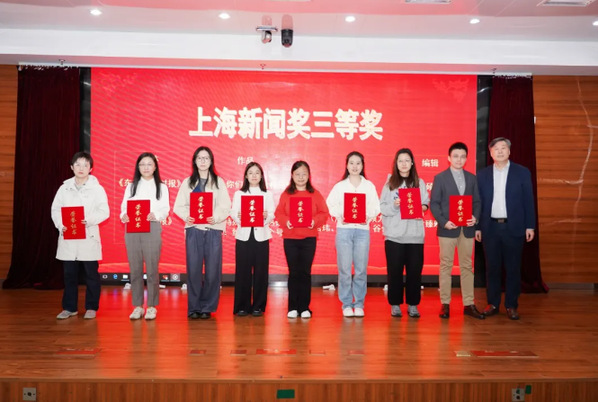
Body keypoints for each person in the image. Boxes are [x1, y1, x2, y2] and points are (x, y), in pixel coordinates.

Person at [475, 137, 536, 320]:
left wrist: (530, 225)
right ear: (491, 153)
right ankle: (493, 303)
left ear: (509, 151)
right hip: (490, 228)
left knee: (513, 268)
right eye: (496, 149)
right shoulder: (482, 174)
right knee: (492, 268)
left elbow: (528, 200)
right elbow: (478, 203)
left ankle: (511, 305)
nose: (500, 151)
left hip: (514, 227)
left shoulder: (522, 172)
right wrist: (478, 227)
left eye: (503, 148)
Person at [173, 146, 231, 319]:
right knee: (193, 270)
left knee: (213, 271)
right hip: (194, 230)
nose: (203, 161)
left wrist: (216, 217)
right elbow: (178, 206)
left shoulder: (218, 182)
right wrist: (187, 216)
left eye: (206, 158)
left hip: (213, 230)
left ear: (211, 161)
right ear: (195, 161)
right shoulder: (188, 182)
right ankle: (194, 307)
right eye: (200, 158)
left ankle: (207, 307)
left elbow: (225, 206)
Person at [51, 151, 109, 320]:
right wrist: (61, 225)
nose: (81, 168)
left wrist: (89, 220)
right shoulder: (64, 188)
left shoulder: (97, 189)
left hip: (88, 236)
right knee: (69, 275)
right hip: (69, 237)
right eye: (77, 164)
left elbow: (104, 211)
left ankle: (91, 307)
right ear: (72, 167)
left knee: (91, 275)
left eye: (85, 165)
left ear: (91, 168)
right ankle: (69, 308)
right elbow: (55, 209)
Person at [430, 142, 485, 320]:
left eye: (462, 156)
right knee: (446, 266)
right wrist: (444, 222)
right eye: (455, 156)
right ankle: (445, 304)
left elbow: (477, 202)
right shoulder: (440, 178)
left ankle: (468, 304)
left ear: (466, 159)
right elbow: (434, 204)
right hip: (448, 229)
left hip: (467, 229)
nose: (459, 159)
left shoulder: (472, 178)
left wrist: (475, 218)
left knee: (467, 266)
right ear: (449, 158)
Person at [326, 151, 380, 318]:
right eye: (351, 163)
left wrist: (367, 216)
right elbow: (329, 205)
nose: (355, 166)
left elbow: (376, 207)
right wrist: (340, 214)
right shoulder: (340, 186)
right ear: (346, 165)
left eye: (358, 163)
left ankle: (359, 303)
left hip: (362, 231)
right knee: (344, 269)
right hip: (344, 230)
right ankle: (347, 304)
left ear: (362, 166)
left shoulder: (369, 186)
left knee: (361, 269)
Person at [275, 161, 329, 319]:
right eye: (297, 174)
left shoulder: (315, 194)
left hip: (309, 239)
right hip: (290, 239)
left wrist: (314, 221)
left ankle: (304, 307)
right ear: (292, 175)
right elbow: (279, 213)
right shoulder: (286, 194)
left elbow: (324, 213)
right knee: (293, 272)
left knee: (305, 272)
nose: (300, 177)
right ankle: (292, 307)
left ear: (309, 175)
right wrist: (286, 221)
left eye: (304, 174)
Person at [120, 152, 170, 321]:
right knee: (134, 269)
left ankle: (152, 306)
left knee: (152, 269)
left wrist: (155, 215)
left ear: (155, 167)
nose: (146, 167)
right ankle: (138, 306)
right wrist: (124, 216)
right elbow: (124, 207)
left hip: (152, 227)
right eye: (142, 164)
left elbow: (165, 209)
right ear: (138, 167)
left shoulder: (161, 187)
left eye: (149, 164)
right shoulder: (131, 186)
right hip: (132, 229)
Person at [380, 148, 429, 318]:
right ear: (396, 163)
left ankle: (413, 304)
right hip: (394, 236)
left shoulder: (419, 183)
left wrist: (421, 207)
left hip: (415, 236)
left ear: (412, 163)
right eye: (400, 161)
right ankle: (395, 304)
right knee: (394, 272)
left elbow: (426, 203)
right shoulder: (389, 184)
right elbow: (382, 207)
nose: (404, 164)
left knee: (414, 272)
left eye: (407, 160)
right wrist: (395, 206)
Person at [230, 162, 275, 317]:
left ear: (261, 176)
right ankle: (242, 306)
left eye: (257, 173)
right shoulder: (239, 194)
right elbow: (233, 213)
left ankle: (258, 306)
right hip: (243, 236)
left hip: (261, 236)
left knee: (261, 272)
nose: (254, 175)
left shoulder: (267, 194)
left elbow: (272, 214)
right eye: (251, 173)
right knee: (243, 272)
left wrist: (266, 216)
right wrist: (240, 217)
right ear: (246, 176)